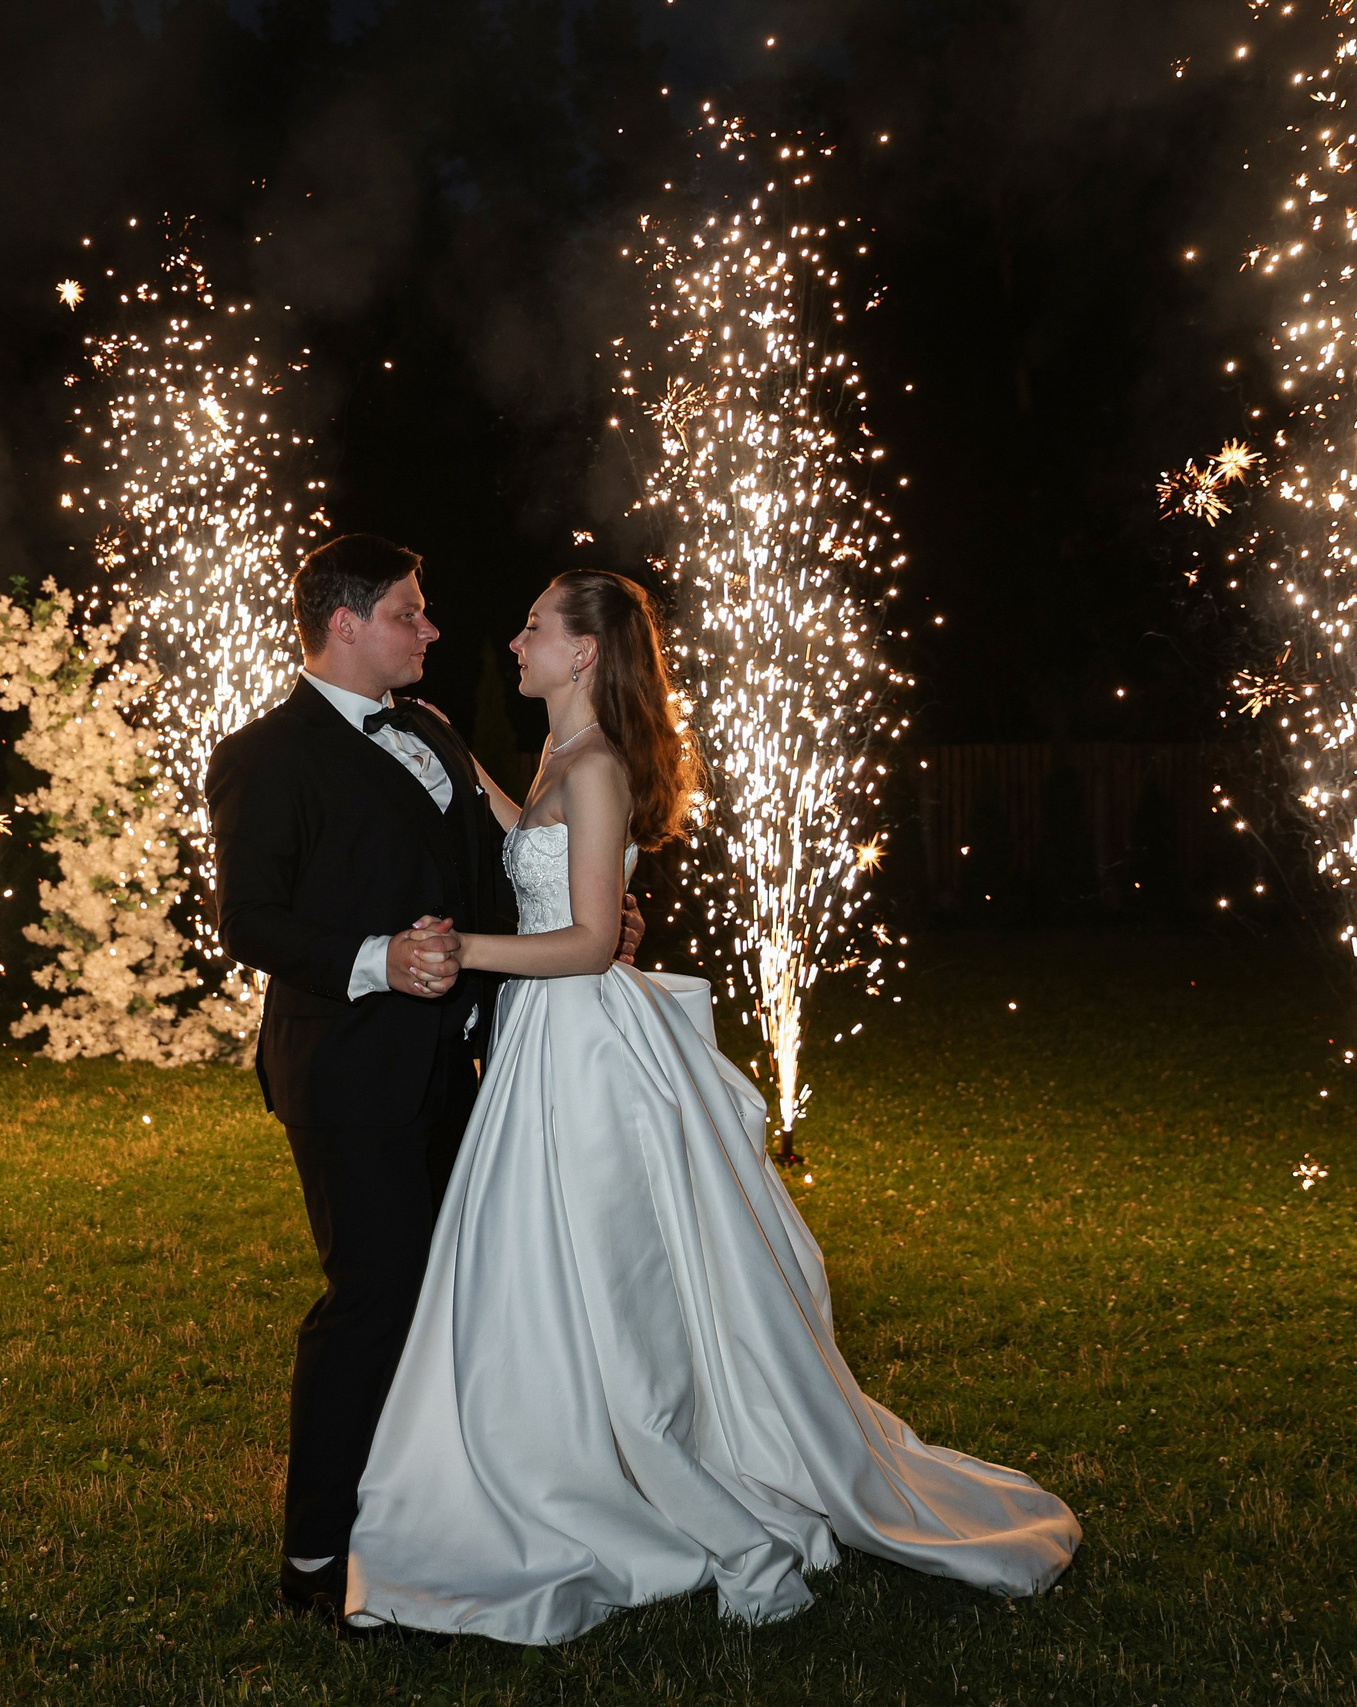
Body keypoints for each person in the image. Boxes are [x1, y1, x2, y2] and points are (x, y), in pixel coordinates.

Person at [343, 569, 1081, 1642]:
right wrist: (464, 763)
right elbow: (529, 846)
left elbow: (588, 941)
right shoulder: (559, 757)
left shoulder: (597, 766)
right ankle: (558, 1439)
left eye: (534, 626)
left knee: (605, 1259)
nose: (514, 640)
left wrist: (457, 952)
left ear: (583, 650)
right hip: (546, 1034)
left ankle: (642, 1456)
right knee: (546, 1254)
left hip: (582, 1041)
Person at [205, 536, 643, 1628]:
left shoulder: (434, 731)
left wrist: (596, 914)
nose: (433, 629)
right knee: (372, 1300)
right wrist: (378, 960)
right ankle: (316, 1557)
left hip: (472, 1070)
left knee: (463, 1302)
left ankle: (435, 1521)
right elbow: (249, 922)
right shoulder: (265, 755)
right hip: (349, 1073)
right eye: (410, 613)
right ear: (345, 623)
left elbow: (496, 868)